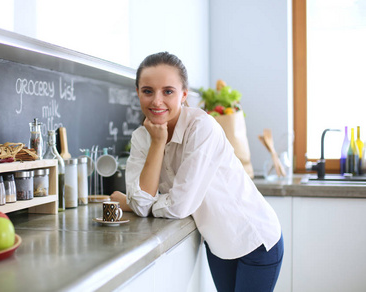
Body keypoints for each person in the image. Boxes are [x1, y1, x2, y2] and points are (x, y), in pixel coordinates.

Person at [110, 51, 283, 292]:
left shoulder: (202, 128)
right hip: (219, 245)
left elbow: (178, 206)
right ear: (138, 92)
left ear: (183, 94)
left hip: (254, 239)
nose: (156, 101)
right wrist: (158, 143)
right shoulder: (142, 137)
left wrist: (137, 202)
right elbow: (142, 203)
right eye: (147, 91)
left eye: (168, 91)